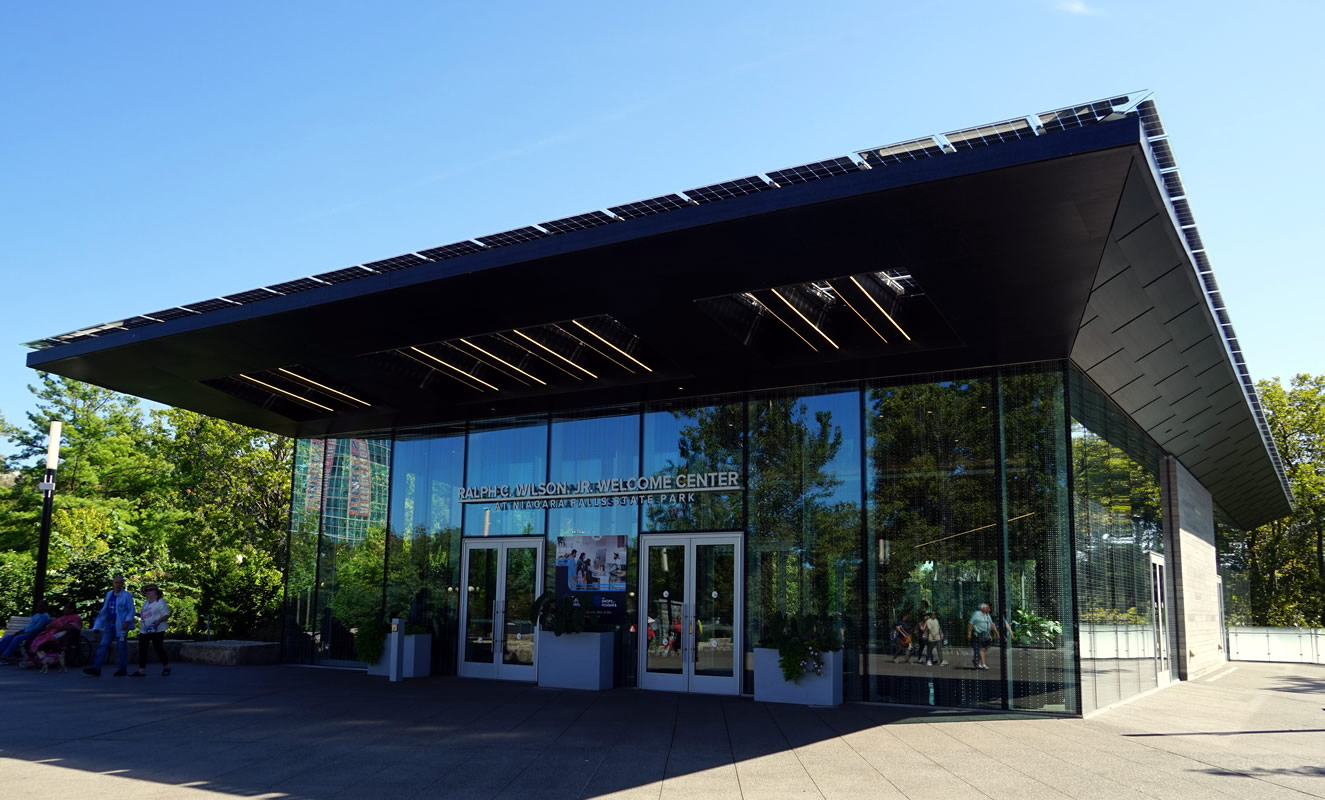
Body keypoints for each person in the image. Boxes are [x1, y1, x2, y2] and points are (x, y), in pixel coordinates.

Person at [84, 573, 137, 677]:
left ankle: (122, 669)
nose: (118, 584)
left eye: (120, 582)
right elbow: (105, 609)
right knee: (103, 645)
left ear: (122, 584)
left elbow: (131, 610)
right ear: (113, 583)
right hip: (109, 623)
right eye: (116, 582)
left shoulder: (126, 595)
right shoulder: (109, 594)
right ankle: (96, 668)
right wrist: (99, 624)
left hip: (120, 624)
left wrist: (126, 622)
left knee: (121, 646)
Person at [131, 583, 171, 677]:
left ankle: (166, 666)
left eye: (150, 590)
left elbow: (166, 614)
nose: (148, 592)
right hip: (145, 629)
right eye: (146, 590)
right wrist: (135, 614)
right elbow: (145, 614)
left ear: (156, 591)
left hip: (157, 629)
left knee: (158, 647)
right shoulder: (146, 602)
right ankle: (141, 670)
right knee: (142, 648)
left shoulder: (160, 601)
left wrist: (158, 621)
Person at [967, 602, 1000, 670]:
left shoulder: (987, 615)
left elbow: (991, 625)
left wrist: (996, 633)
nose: (989, 609)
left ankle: (978, 662)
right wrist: (969, 633)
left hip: (985, 634)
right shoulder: (976, 614)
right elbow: (971, 623)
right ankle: (983, 664)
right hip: (978, 634)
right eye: (988, 608)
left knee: (983, 649)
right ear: (983, 608)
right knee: (981, 649)